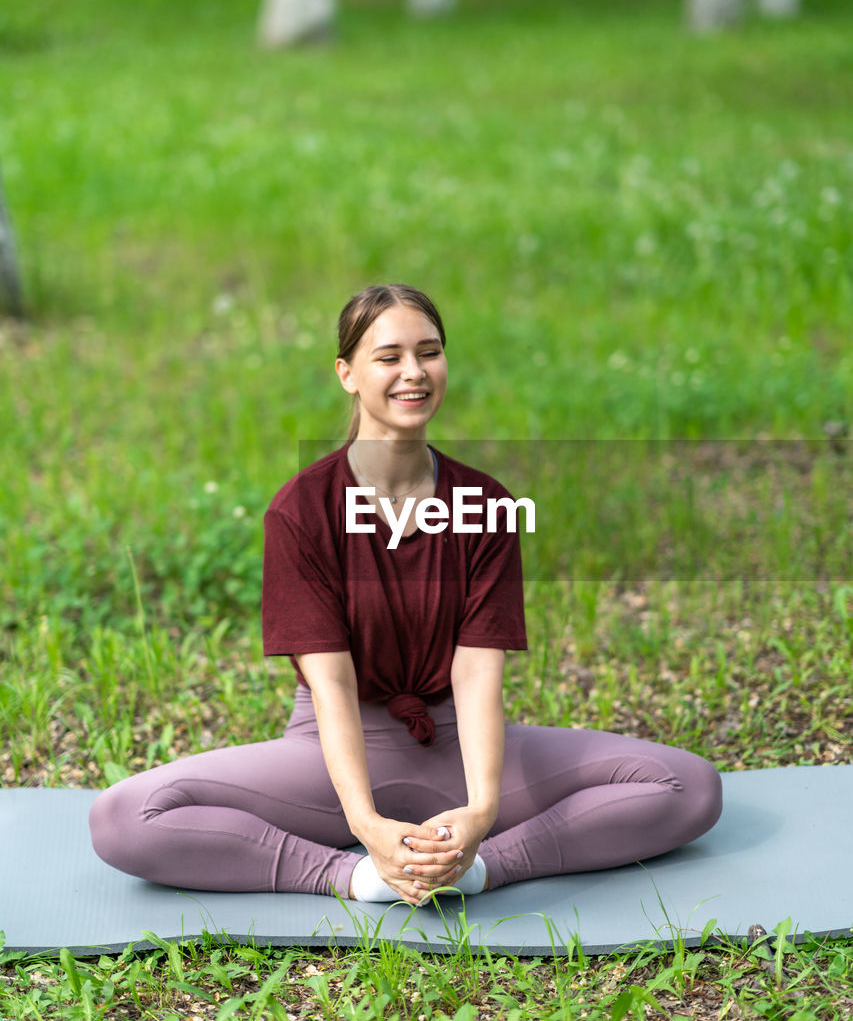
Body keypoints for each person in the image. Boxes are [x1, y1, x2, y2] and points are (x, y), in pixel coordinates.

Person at [89, 284, 723, 908]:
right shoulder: (302, 509)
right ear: (348, 373)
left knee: (688, 786)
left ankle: (475, 872)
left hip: (460, 746)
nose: (414, 372)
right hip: (330, 759)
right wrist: (364, 824)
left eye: (430, 351)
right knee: (124, 816)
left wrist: (481, 813)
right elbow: (331, 684)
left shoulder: (485, 504)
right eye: (389, 357)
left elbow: (477, 672)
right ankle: (356, 878)